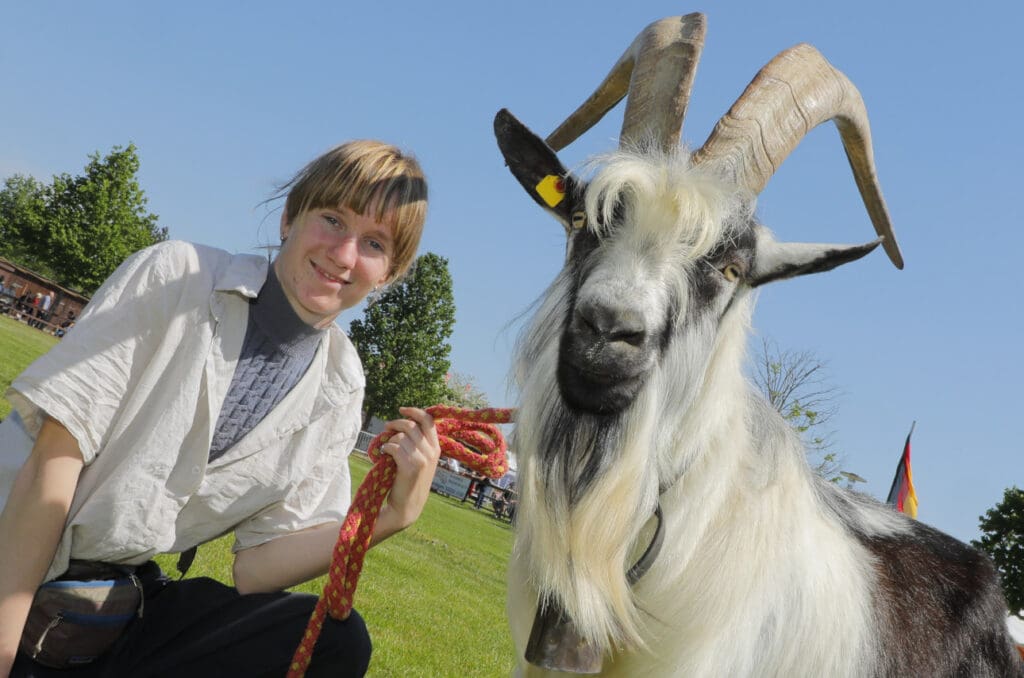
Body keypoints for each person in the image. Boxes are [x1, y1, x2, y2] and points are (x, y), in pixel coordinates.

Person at [0, 140, 438, 677]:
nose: (344, 254)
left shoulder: (341, 385)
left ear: (389, 273)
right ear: (288, 218)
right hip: (12, 546)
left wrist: (391, 515)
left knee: (336, 640)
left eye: (373, 243)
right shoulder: (177, 275)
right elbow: (52, 464)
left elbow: (256, 568)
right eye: (332, 218)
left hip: (106, 607)